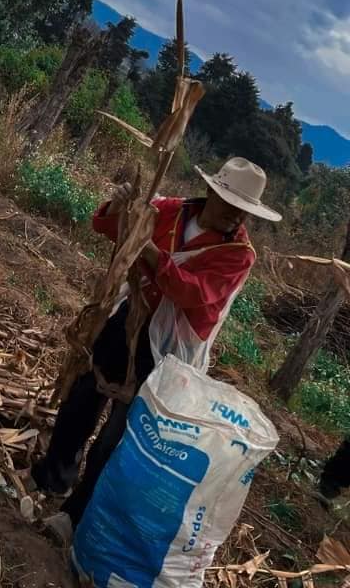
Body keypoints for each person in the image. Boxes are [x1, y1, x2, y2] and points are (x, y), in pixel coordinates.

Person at [32, 157, 282, 535]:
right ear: (212, 193)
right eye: (232, 205)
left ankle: (74, 516)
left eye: (244, 211)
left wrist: (147, 250)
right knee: (82, 398)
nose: (237, 217)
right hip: (128, 317)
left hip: (169, 349)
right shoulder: (168, 210)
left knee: (119, 435)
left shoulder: (238, 255)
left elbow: (193, 293)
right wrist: (119, 209)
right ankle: (54, 476)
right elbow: (106, 227)